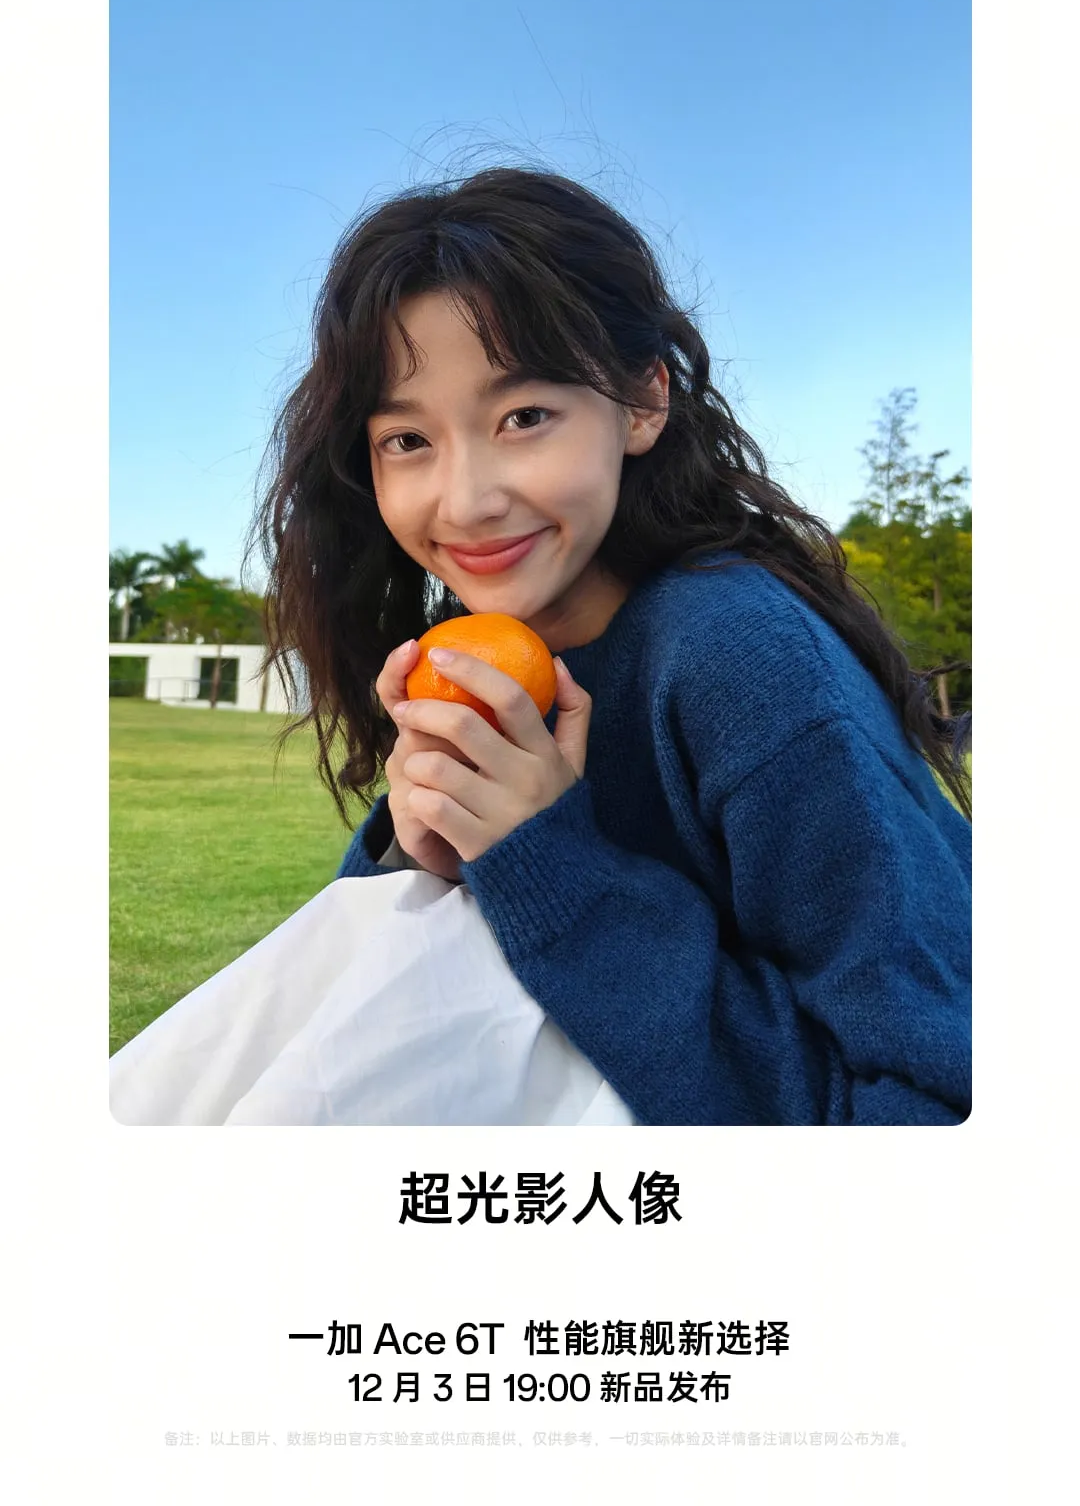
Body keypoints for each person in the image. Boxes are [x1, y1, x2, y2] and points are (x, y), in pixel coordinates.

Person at [253, 167, 971, 1126]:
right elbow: (373, 1025)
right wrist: (420, 858)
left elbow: (933, 1102)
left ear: (641, 402)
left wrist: (552, 867)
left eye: (523, 417)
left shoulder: (740, 658)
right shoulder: (481, 666)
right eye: (407, 440)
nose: (465, 501)